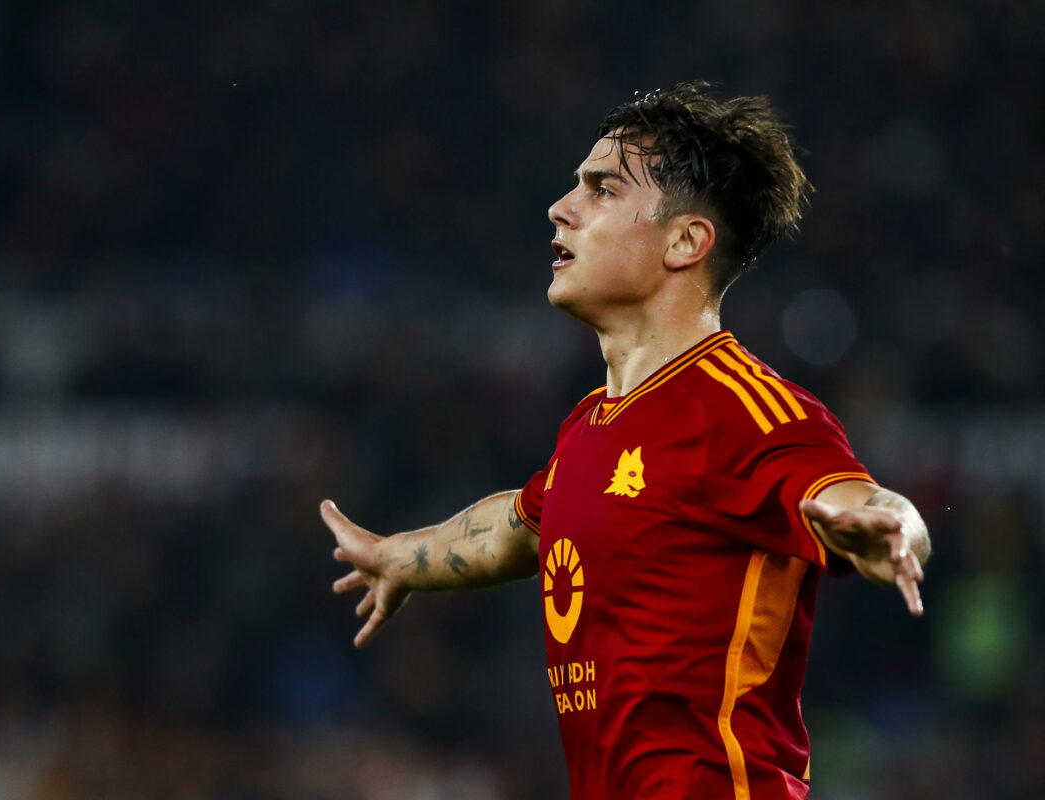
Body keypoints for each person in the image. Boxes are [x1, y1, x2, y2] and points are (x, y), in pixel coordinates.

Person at [321, 81, 930, 800]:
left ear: (685, 242)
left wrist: (889, 529)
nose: (561, 207)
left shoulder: (745, 411)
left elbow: (865, 501)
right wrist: (400, 557)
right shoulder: (591, 425)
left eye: (602, 189)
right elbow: (518, 529)